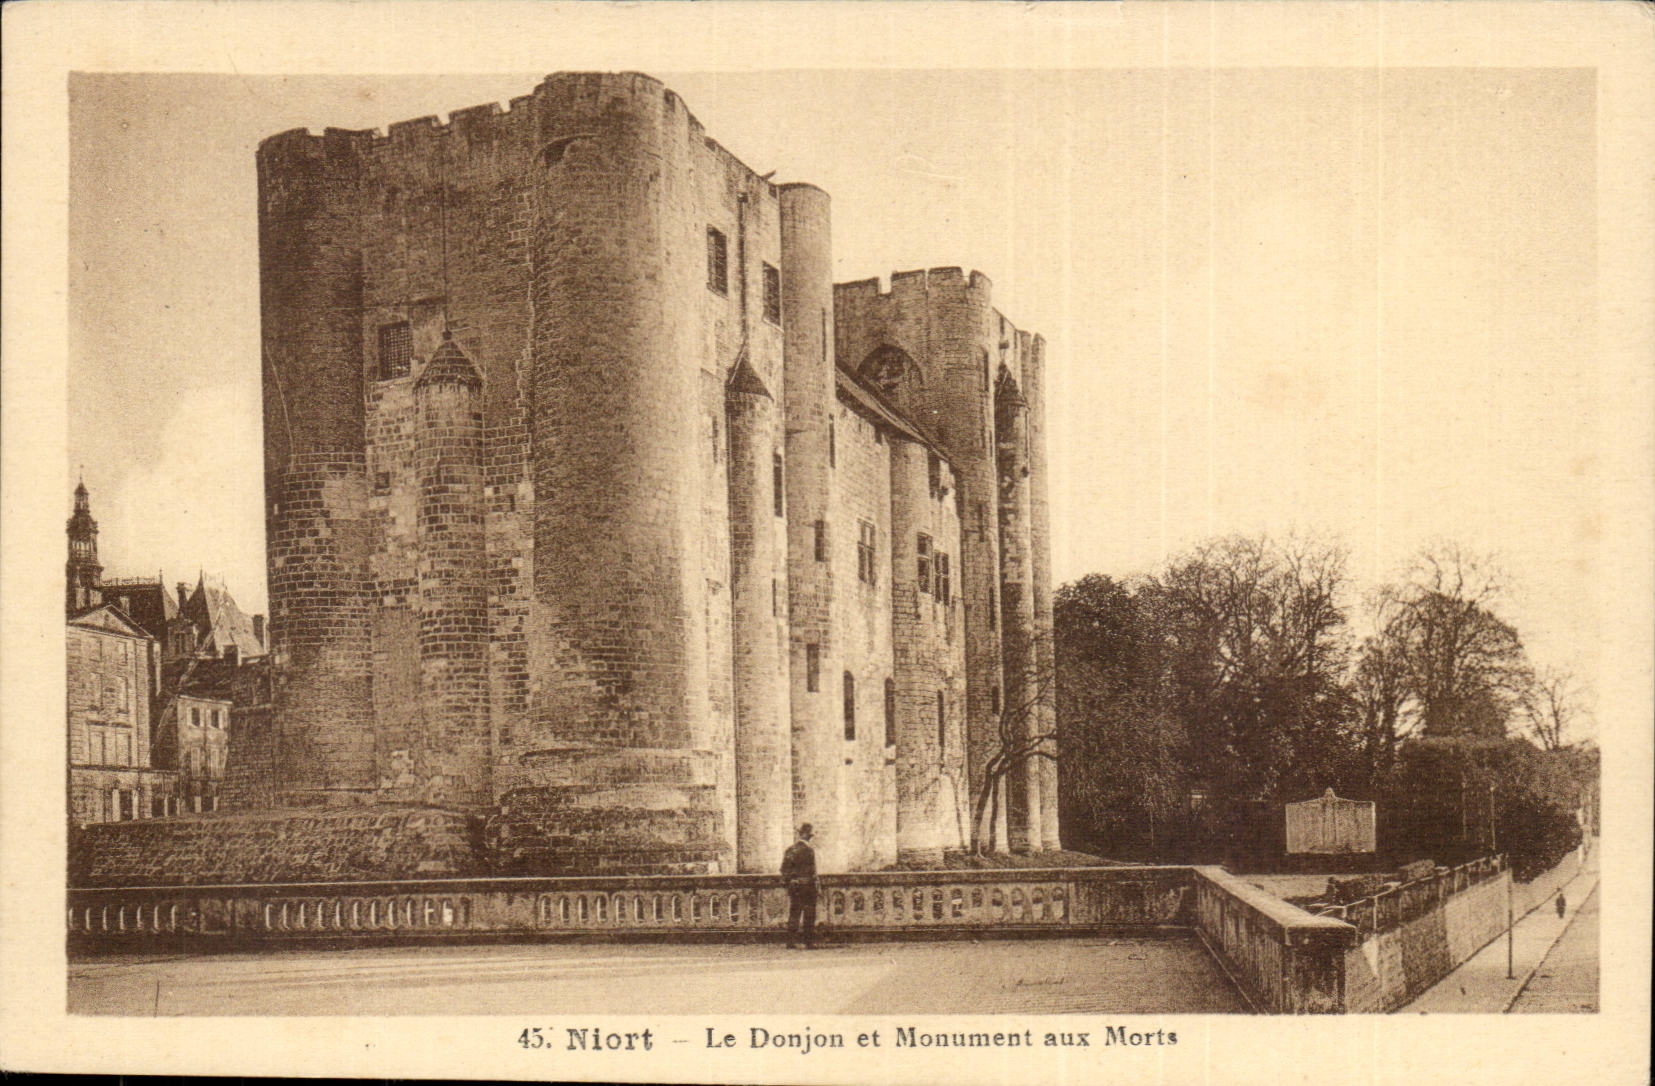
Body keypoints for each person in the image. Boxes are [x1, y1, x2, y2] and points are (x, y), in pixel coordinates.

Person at [781, 823, 819, 949]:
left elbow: (783, 869)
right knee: (809, 914)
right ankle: (808, 942)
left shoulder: (791, 849)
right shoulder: (808, 850)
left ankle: (790, 941)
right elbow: (812, 871)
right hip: (807, 886)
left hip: (795, 887)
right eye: (809, 835)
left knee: (794, 913)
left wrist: (791, 881)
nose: (810, 837)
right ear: (806, 834)